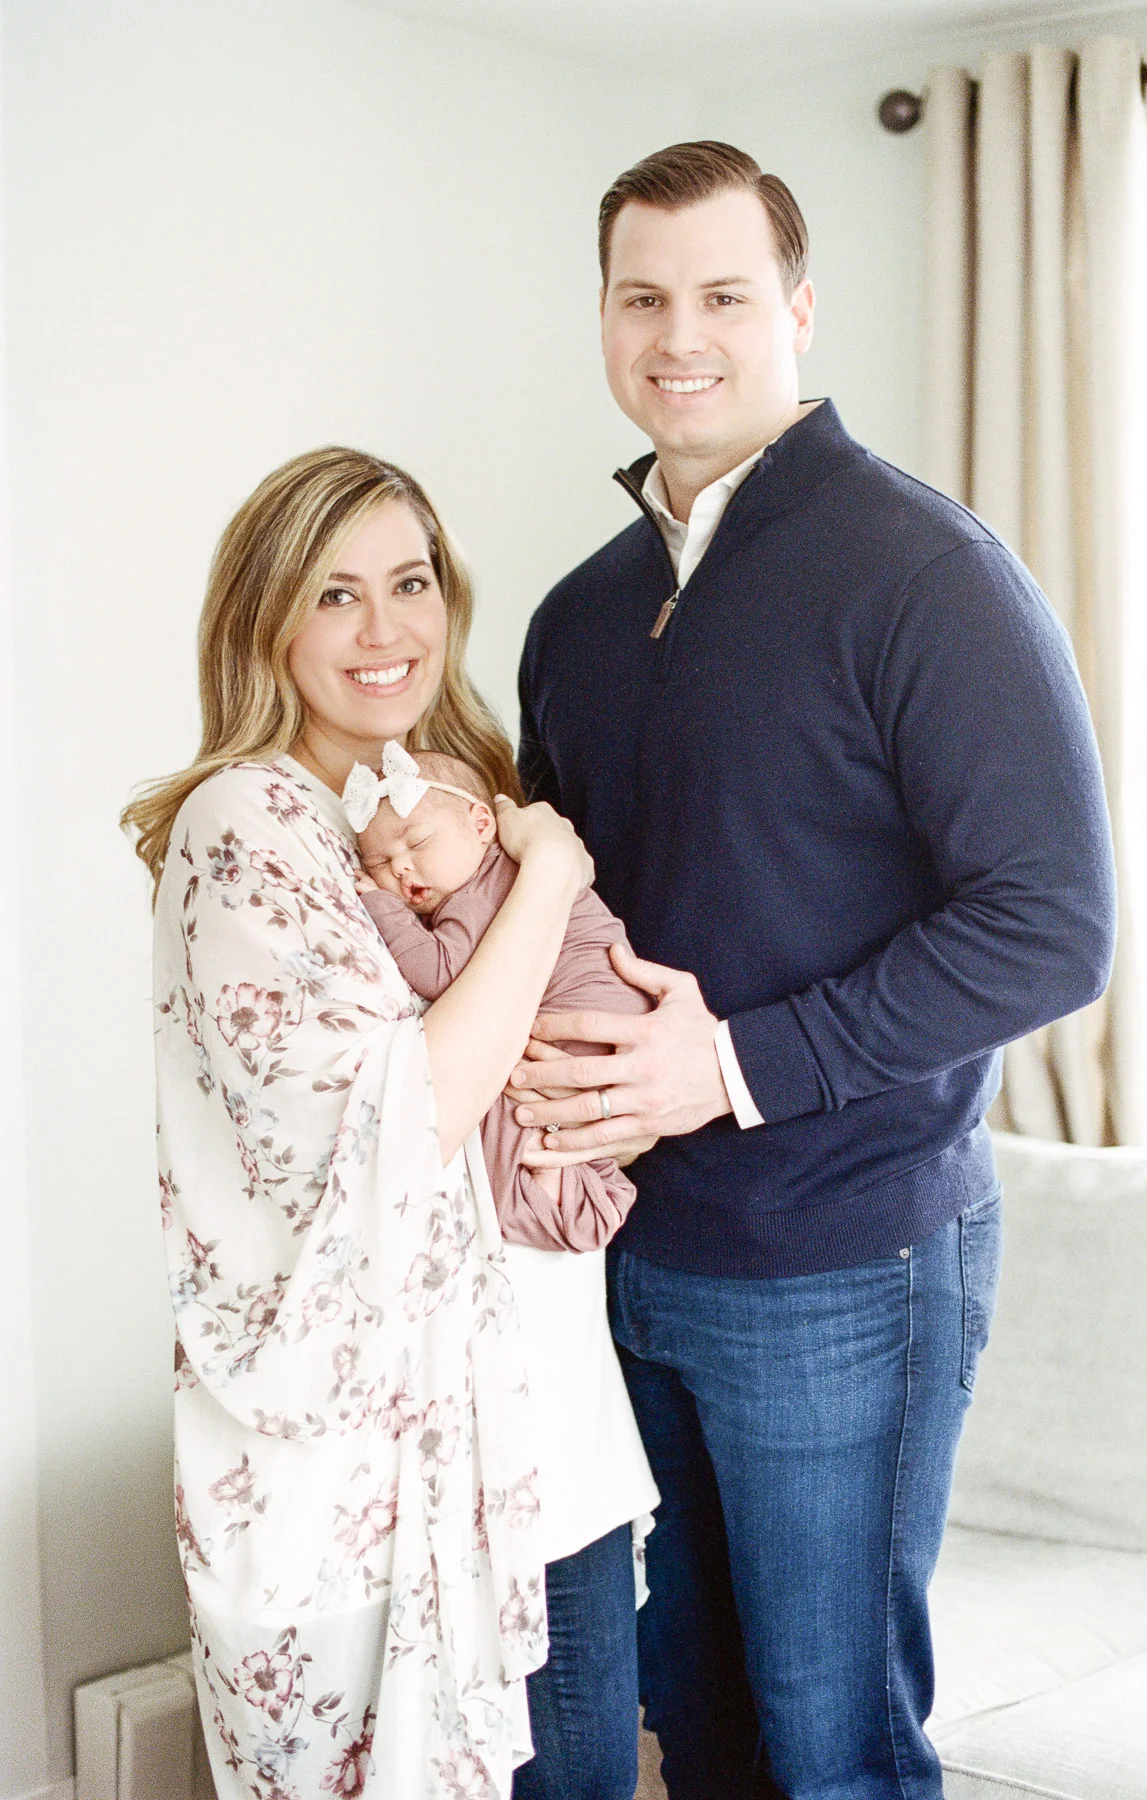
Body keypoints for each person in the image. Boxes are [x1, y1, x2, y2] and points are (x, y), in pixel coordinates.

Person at [513, 143, 1117, 1798]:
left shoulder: (924, 573)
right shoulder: (575, 617)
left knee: (830, 1750)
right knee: (696, 1728)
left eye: (721, 293)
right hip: (627, 1255)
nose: (677, 335)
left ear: (795, 309)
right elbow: (559, 915)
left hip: (842, 1252)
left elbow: (1052, 925)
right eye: (641, 297)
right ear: (602, 318)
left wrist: (727, 1063)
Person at [122, 448, 656, 1800]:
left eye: (409, 584)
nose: (384, 630)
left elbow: (571, 1040)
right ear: (268, 620)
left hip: (549, 1439)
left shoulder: (462, 786)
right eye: (335, 593)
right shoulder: (249, 827)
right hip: (366, 1479)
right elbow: (412, 1112)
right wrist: (552, 876)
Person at [346, 739, 651, 1252]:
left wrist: (381, 905)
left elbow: (438, 972)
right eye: (379, 862)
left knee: (496, 1133)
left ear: (482, 825)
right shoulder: (490, 879)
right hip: (610, 1025)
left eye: (418, 843)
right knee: (531, 1128)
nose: (400, 868)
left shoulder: (481, 889)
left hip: (581, 1024)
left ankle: (564, 1206)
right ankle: (571, 1190)